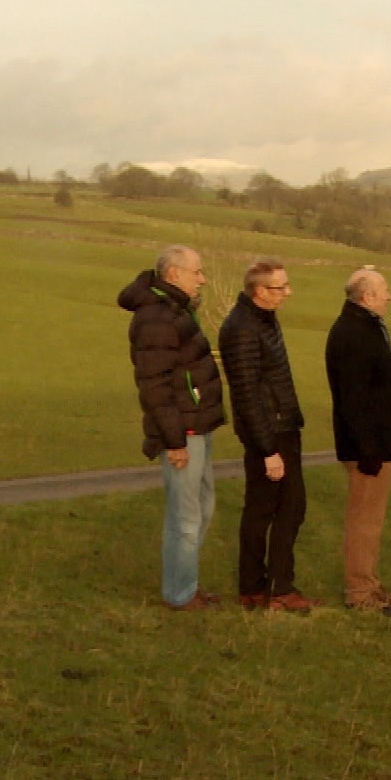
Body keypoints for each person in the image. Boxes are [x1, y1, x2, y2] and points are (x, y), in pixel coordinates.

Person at [118, 245, 227, 611]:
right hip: (183, 432)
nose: (203, 279)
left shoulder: (174, 310)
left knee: (201, 507)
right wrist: (174, 440)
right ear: (174, 274)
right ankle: (180, 595)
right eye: (197, 272)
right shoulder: (157, 319)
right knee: (186, 517)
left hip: (197, 425)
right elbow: (155, 386)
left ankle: (183, 584)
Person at [218, 258, 318, 614]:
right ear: (260, 291)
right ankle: (276, 588)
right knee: (282, 508)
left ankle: (257, 587)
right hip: (271, 433)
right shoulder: (243, 328)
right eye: (281, 287)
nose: (288, 292)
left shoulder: (262, 320)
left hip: (281, 427)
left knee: (271, 508)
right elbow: (246, 394)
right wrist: (268, 449)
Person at [323, 266, 391, 616]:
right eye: (384, 292)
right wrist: (368, 450)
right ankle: (360, 592)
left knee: (372, 519)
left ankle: (370, 584)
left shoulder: (364, 327)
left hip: (375, 444)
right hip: (367, 448)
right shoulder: (353, 333)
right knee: (364, 520)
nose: (389, 297)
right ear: (367, 297)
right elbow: (353, 399)